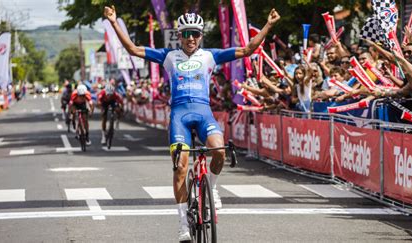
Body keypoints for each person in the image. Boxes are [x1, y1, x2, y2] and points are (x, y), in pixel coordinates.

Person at [104, 5, 280, 241]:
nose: (190, 38)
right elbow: (133, 49)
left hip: (203, 112)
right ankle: (182, 225)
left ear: (200, 36)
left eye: (195, 33)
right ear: (180, 35)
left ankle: (213, 187)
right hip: (179, 116)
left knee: (219, 151)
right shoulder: (168, 56)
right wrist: (115, 22)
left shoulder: (211, 55)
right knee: (180, 167)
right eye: (186, 33)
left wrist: (268, 24)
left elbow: (248, 49)